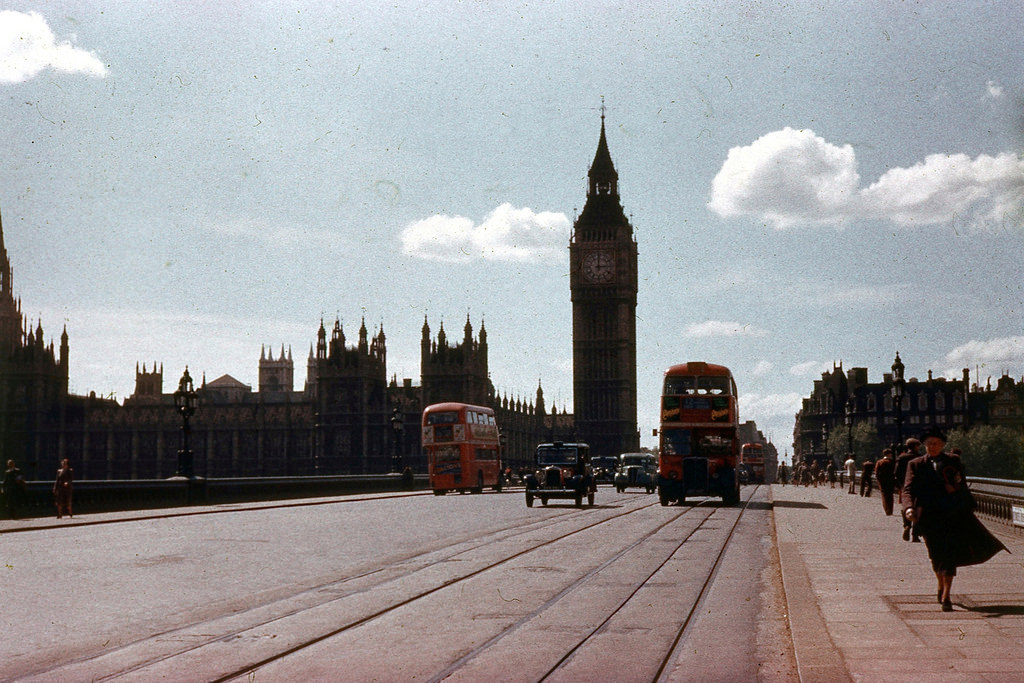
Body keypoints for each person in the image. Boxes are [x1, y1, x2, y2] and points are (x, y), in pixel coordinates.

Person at [900, 427, 1008, 612]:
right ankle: (940, 582)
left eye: (935, 444)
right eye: (928, 444)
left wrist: (957, 490)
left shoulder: (953, 460)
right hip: (928, 516)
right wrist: (909, 508)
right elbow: (908, 489)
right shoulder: (916, 464)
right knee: (935, 554)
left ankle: (947, 594)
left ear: (943, 445)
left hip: (951, 514)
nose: (931, 447)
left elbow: (961, 483)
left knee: (949, 553)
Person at [895, 438, 922, 541]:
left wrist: (900, 485)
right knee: (918, 508)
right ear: (915, 446)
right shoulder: (919, 457)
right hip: (919, 486)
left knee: (906, 506)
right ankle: (915, 533)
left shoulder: (902, 458)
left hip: (905, 486)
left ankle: (906, 525)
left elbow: (896, 473)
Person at [874, 449, 896, 515]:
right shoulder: (892, 462)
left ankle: (886, 510)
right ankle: (890, 510)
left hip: (882, 482)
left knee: (884, 496)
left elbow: (876, 473)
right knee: (890, 496)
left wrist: (879, 480)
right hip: (891, 481)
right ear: (889, 454)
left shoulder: (879, 462)